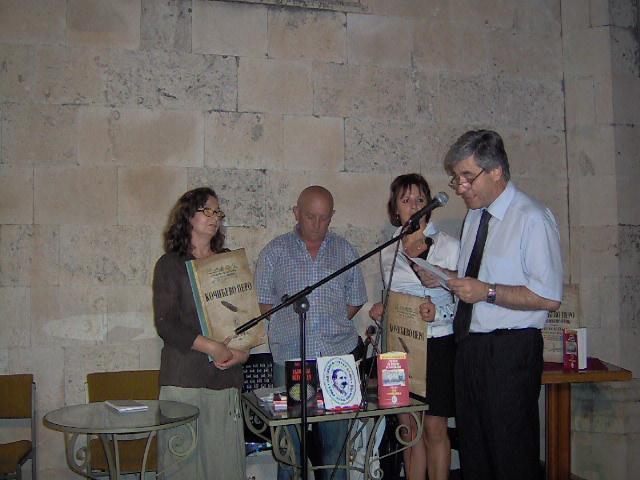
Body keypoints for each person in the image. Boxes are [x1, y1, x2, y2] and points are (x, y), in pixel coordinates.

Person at [443, 130, 563, 480]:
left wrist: (487, 292)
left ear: (496, 170)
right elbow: (478, 277)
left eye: (467, 177)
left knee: (510, 455)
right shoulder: (474, 217)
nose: (460, 187)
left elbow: (548, 295)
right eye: (456, 178)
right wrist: (445, 278)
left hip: (510, 351)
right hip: (470, 347)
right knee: (475, 455)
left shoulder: (532, 217)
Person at [255, 185, 368, 480]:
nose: (317, 224)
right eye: (310, 216)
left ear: (332, 216)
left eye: (324, 218)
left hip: (336, 360)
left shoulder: (345, 250)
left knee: (337, 450)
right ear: (296, 212)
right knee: (288, 450)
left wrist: (327, 325)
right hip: (291, 359)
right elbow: (265, 303)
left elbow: (356, 299)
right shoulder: (274, 252)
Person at [153, 187, 248, 480]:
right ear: (187, 215)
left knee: (225, 468)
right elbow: (166, 324)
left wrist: (243, 352)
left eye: (217, 212)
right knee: (183, 470)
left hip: (224, 380)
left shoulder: (228, 261)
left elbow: (245, 317)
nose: (214, 217)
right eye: (207, 210)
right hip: (184, 380)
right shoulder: (170, 264)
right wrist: (212, 347)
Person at [369, 173, 458, 480]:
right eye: (406, 200)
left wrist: (439, 312)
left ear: (429, 205)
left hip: (437, 343)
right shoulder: (388, 250)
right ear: (395, 208)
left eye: (420, 199)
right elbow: (396, 295)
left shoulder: (448, 246)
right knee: (408, 429)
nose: (414, 205)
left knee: (434, 428)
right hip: (400, 346)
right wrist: (384, 309)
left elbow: (467, 303)